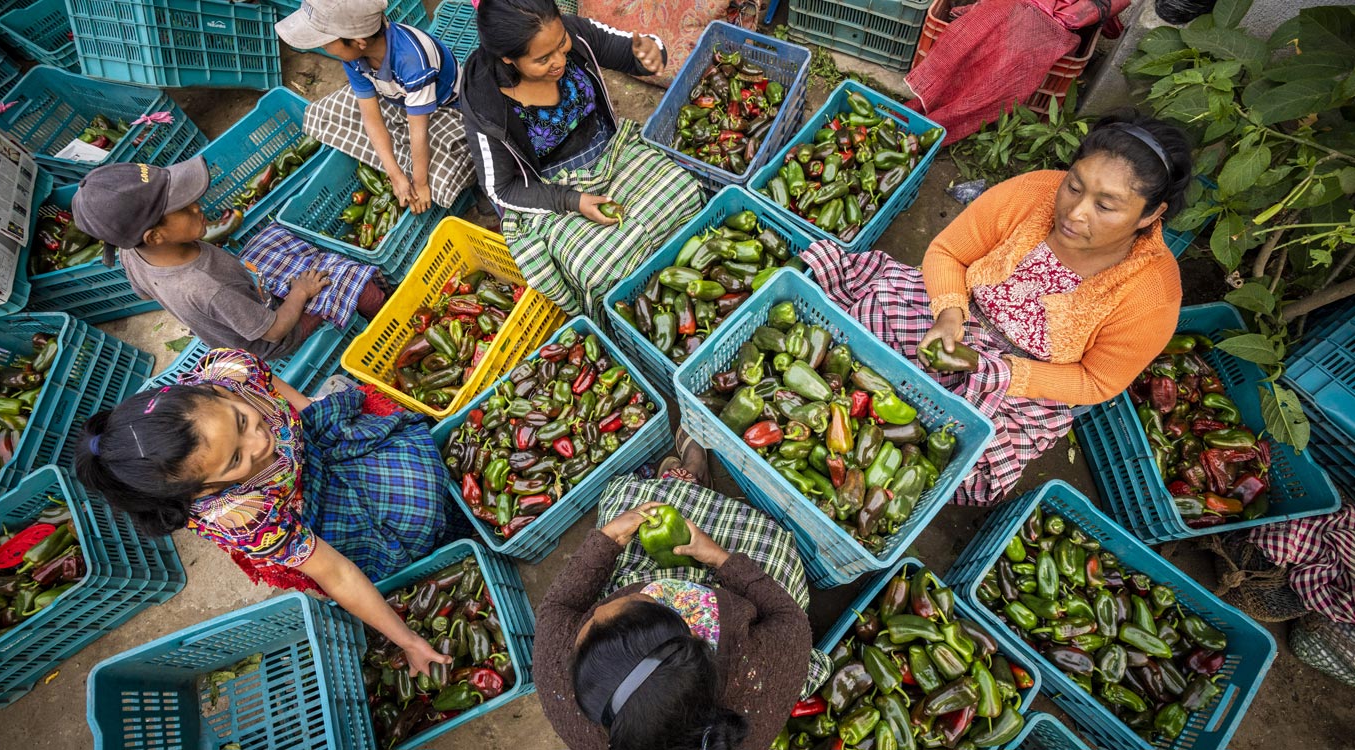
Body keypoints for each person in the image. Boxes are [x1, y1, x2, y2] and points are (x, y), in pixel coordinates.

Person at [801, 112, 1192, 506]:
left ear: (1150, 214)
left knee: (962, 465)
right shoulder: (1032, 194)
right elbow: (948, 252)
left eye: (1105, 207)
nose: (1075, 213)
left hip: (1026, 383)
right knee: (850, 338)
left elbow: (1097, 382)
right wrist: (950, 314)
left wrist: (1004, 372)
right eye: (1073, 186)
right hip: (954, 314)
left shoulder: (1151, 293)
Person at [74, 349, 460, 675]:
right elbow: (336, 571)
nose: (259, 440)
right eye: (236, 459)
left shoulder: (229, 371)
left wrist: (313, 414)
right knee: (409, 523)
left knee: (409, 459)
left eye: (241, 420)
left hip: (311, 449)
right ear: (202, 489)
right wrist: (407, 640)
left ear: (214, 392)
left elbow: (273, 386)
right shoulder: (241, 516)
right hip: (305, 504)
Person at [532, 462, 833, 750]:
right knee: (776, 550)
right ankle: (687, 479)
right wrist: (719, 559)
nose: (598, 607)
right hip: (734, 602)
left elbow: (558, 606)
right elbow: (789, 616)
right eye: (645, 601)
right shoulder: (760, 680)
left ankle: (680, 477)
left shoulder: (561, 691)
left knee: (628, 502)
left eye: (590, 618)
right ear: (698, 646)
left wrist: (607, 540)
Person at [459, 0, 704, 318]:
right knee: (600, 267)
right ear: (508, 58)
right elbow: (502, 189)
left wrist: (650, 54)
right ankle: (613, 319)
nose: (560, 60)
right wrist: (573, 200)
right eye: (543, 59)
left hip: (610, 153)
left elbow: (629, 48)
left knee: (682, 189)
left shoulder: (573, 32)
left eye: (561, 45)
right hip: (549, 191)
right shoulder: (484, 97)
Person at [71, 158, 386, 362]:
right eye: (183, 207)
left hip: (245, 298)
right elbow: (274, 331)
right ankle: (385, 318)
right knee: (351, 282)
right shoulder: (206, 288)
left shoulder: (132, 252)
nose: (197, 206)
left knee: (272, 237)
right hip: (272, 339)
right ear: (155, 236)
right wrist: (300, 293)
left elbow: (144, 292)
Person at [276, 0, 476, 214]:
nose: (322, 46)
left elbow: (419, 134)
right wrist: (395, 175)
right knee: (321, 113)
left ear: (358, 41)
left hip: (446, 107)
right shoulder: (353, 58)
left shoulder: (413, 63)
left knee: (436, 180)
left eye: (326, 41)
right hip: (397, 98)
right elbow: (370, 118)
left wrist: (421, 184)